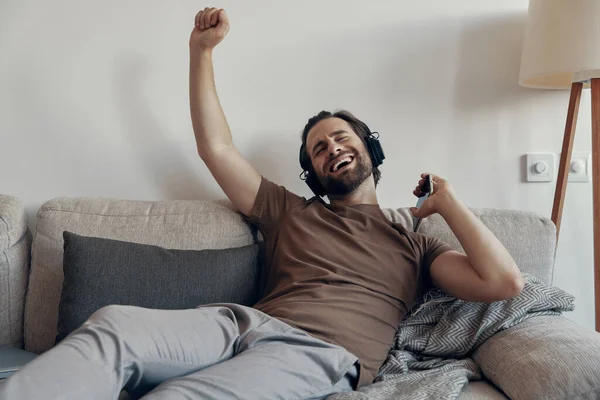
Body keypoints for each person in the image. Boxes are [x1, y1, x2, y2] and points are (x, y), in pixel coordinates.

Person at [0, 7, 524, 400]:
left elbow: (505, 283)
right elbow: (217, 148)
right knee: (114, 325)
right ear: (313, 174)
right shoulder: (290, 211)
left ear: (371, 150)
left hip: (320, 354)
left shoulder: (418, 244)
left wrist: (448, 202)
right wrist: (201, 53)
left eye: (342, 138)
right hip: (238, 323)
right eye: (319, 148)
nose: (332, 148)